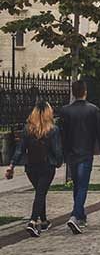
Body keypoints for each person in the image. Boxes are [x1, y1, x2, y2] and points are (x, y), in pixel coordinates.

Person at [5, 101, 63, 237]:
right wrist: (59, 161)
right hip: (47, 165)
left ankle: (43, 220)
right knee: (41, 193)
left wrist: (12, 165)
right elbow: (57, 150)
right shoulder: (53, 130)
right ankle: (32, 221)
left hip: (31, 166)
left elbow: (20, 150)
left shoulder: (27, 129)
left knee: (39, 191)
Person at [59, 79, 100, 234]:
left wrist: (63, 152)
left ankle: (80, 215)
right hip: (86, 152)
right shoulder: (93, 110)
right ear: (85, 91)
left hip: (72, 153)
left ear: (73, 93)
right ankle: (75, 215)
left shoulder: (65, 111)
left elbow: (62, 134)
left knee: (76, 184)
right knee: (82, 185)